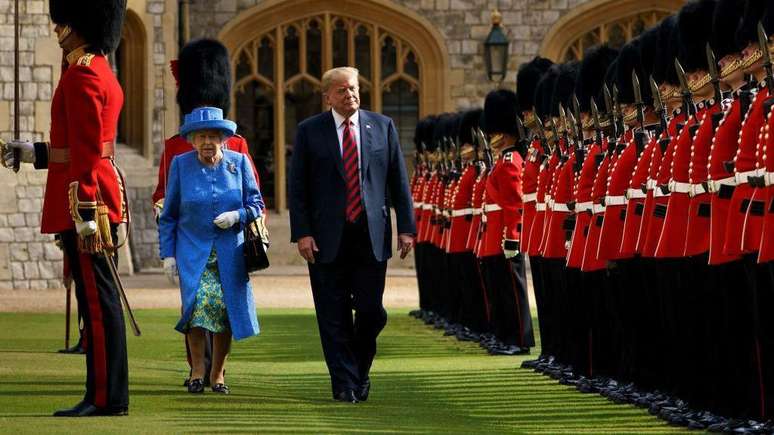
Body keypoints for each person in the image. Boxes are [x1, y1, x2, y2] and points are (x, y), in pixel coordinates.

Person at [2, 0, 129, 417]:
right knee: (99, 300)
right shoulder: (95, 70)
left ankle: (106, 397)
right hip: (87, 193)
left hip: (86, 200)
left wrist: (87, 213)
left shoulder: (83, 75)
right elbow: (73, 147)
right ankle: (103, 393)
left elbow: (89, 152)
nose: (58, 28)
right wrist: (33, 152)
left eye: (63, 22)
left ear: (78, 25)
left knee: (97, 302)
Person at [289, 66, 416, 403]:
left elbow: (397, 182)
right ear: (328, 96)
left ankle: (359, 369)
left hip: (370, 235)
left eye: (355, 89)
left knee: (372, 311)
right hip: (326, 237)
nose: (351, 95)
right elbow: (297, 187)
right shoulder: (309, 131)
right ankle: (344, 383)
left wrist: (406, 227)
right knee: (333, 315)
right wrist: (302, 233)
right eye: (343, 90)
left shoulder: (382, 126)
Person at [152, 38, 262, 388]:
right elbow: (164, 197)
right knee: (195, 310)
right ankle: (196, 368)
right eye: (201, 136)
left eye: (213, 136)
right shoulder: (176, 149)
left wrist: (242, 222)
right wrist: (168, 250)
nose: (207, 141)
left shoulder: (238, 149)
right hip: (192, 243)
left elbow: (255, 198)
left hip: (228, 245)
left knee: (226, 310)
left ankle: (218, 372)